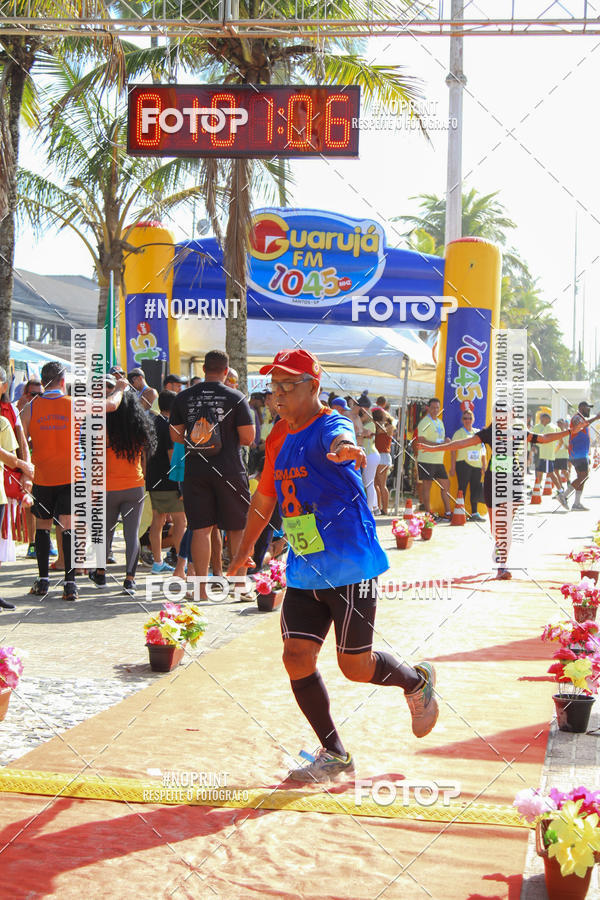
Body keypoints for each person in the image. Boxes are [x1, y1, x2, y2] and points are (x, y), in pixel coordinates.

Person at [228, 348, 438, 784]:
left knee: (355, 667)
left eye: (289, 387)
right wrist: (245, 548)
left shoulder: (331, 424)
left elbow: (341, 438)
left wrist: (347, 450)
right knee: (295, 656)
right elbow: (266, 497)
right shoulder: (277, 438)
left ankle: (415, 681)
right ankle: (335, 753)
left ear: (314, 387)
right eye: (274, 388)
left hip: (349, 566)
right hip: (305, 565)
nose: (278, 396)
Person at [418, 409, 582, 579]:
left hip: (514, 480)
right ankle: (499, 544)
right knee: (496, 527)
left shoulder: (519, 431)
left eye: (505, 413)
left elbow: (544, 439)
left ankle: (502, 566)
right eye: (498, 414)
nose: (502, 417)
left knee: (506, 525)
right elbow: (461, 444)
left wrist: (570, 432)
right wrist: (433, 448)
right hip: (493, 481)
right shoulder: (488, 433)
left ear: (511, 416)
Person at [21, 362, 128, 601]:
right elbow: (111, 405)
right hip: (72, 475)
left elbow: (24, 441)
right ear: (62, 381)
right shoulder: (75, 404)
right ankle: (70, 584)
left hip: (43, 475)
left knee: (42, 527)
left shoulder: (30, 407)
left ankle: (43, 580)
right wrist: (120, 387)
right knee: (68, 526)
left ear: (43, 380)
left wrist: (26, 469)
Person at [169, 349, 255, 601]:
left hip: (195, 470)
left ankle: (200, 590)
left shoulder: (183, 397)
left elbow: (175, 436)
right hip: (229, 468)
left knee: (200, 528)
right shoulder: (235, 396)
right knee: (238, 527)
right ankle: (240, 586)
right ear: (226, 371)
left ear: (203, 369)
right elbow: (249, 438)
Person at [89, 388, 157, 596]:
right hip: (134, 486)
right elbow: (145, 459)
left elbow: (96, 462)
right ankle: (130, 579)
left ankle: (101, 573)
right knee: (131, 534)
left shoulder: (103, 429)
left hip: (109, 487)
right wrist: (143, 479)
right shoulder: (139, 429)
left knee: (106, 532)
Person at [146, 390, 187, 574]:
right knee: (181, 522)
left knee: (157, 520)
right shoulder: (169, 426)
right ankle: (182, 563)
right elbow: (173, 457)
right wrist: (181, 483)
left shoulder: (152, 423)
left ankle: (157, 561)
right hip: (169, 481)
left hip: (153, 478)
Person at [412, 398, 451, 519]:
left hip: (438, 460)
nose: (435, 410)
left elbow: (441, 439)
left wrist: (446, 441)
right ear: (428, 408)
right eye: (433, 407)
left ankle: (448, 512)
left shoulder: (440, 422)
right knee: (426, 486)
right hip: (426, 459)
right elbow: (421, 439)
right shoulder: (424, 422)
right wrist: (439, 445)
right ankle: (428, 513)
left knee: (446, 485)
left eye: (437, 408)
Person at [449, 410, 486, 522]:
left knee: (475, 490)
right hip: (463, 464)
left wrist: (484, 465)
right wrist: (453, 466)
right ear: (462, 420)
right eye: (465, 418)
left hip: (476, 465)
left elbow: (483, 450)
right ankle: (460, 512)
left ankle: (474, 513)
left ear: (473, 419)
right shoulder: (458, 433)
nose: (467, 420)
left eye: (469, 418)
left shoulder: (478, 432)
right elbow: (453, 450)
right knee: (462, 488)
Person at [564, 401, 600, 511]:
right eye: (587, 408)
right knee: (583, 476)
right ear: (581, 407)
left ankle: (576, 503)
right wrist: (596, 418)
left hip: (581, 453)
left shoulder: (582, 419)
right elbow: (579, 426)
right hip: (577, 453)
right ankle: (563, 495)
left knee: (582, 478)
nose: (589, 410)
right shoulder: (577, 417)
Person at [532, 412, 568, 508]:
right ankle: (536, 491)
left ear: (547, 419)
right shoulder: (537, 427)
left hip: (547, 455)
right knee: (539, 473)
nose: (541, 420)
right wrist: (533, 449)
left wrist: (554, 451)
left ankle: (560, 491)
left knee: (551, 473)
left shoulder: (553, 427)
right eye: (540, 419)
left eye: (542, 418)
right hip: (539, 456)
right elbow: (532, 439)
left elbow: (560, 441)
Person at [373, 407, 394, 516]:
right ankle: (379, 507)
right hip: (377, 455)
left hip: (384, 456)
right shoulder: (376, 425)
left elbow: (380, 431)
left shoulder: (389, 426)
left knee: (382, 484)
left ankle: (385, 509)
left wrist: (377, 422)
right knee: (376, 483)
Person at [554, 418, 571, 487]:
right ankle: (560, 486)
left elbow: (568, 446)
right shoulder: (554, 434)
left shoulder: (567, 434)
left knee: (564, 471)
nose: (559, 425)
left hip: (564, 455)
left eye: (560, 424)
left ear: (564, 424)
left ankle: (568, 480)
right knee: (555, 471)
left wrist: (563, 443)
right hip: (555, 455)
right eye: (558, 424)